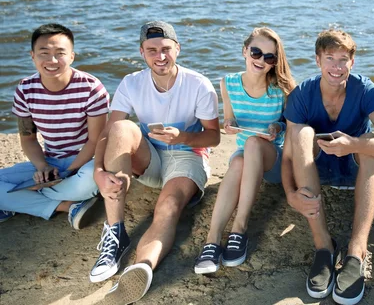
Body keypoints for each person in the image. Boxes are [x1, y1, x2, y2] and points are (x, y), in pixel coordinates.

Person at [89, 21, 220, 305]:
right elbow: (108, 132)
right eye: (152, 51)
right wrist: (98, 171)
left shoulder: (199, 84)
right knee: (123, 129)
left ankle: (141, 267)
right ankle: (115, 233)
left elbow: (214, 138)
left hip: (188, 156)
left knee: (168, 205)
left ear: (178, 49)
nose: (160, 57)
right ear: (142, 52)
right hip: (150, 160)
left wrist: (182, 136)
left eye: (166, 49)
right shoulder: (131, 82)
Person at [281, 29, 374, 305]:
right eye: (329, 58)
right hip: (314, 170)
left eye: (343, 59)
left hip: (354, 169)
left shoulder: (364, 89)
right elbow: (288, 155)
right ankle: (324, 246)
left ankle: (356, 251)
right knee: (301, 134)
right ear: (317, 60)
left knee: (373, 142)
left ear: (352, 63)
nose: (336, 67)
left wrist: (355, 144)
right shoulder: (302, 93)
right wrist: (290, 194)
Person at [194, 27, 296, 274]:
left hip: (273, 160)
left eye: (269, 57)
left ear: (274, 62)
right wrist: (229, 126)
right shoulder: (227, 83)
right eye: (256, 52)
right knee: (238, 161)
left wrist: (277, 127)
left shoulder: (282, 89)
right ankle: (212, 239)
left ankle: (239, 228)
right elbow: (230, 120)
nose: (261, 60)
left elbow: (290, 129)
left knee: (252, 144)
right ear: (245, 51)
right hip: (242, 158)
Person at [0, 23, 108, 228]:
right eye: (44, 53)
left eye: (60, 53)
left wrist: (66, 174)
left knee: (91, 181)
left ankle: (20, 200)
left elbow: (96, 140)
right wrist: (43, 168)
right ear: (33, 56)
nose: (52, 60)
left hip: (85, 162)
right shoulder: (25, 89)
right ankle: (67, 206)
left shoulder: (91, 87)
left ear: (72, 56)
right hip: (51, 162)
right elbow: (28, 139)